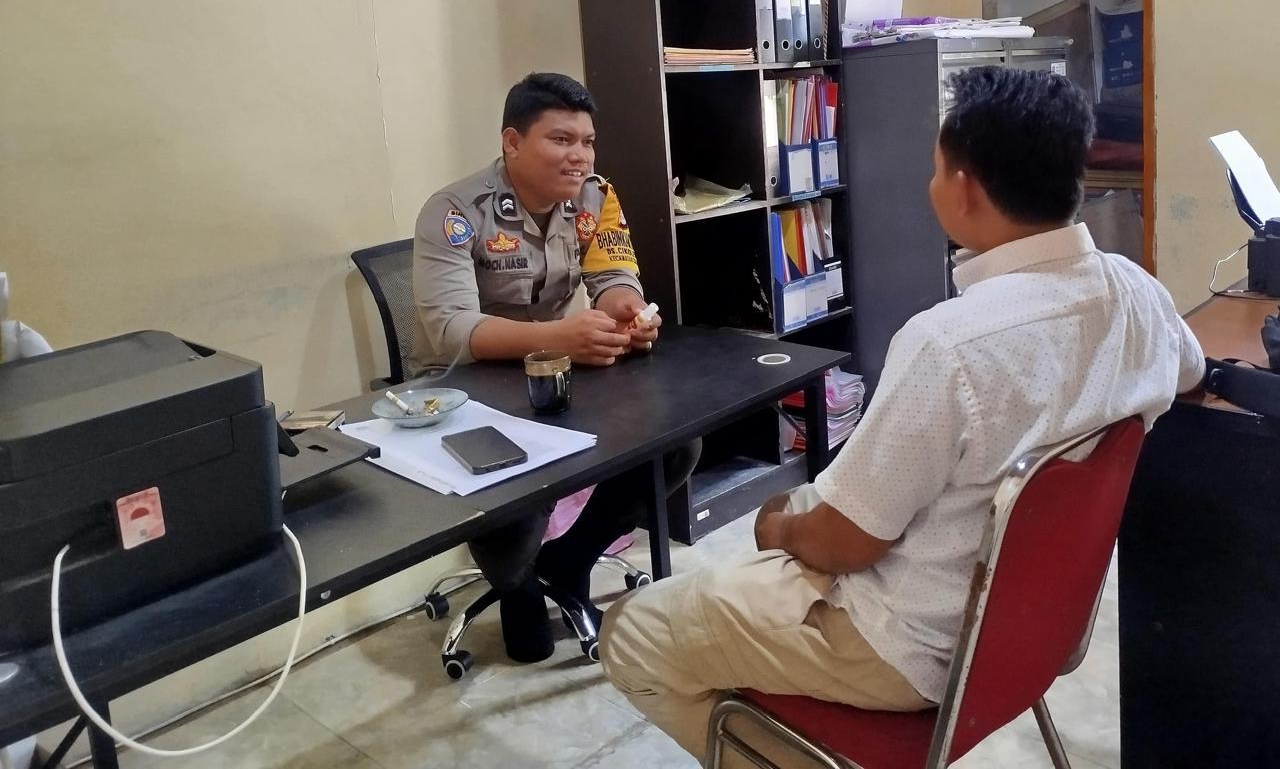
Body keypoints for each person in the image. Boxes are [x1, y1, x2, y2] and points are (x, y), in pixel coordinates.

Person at [600, 66, 1206, 764]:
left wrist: (778, 529)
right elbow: (1189, 375)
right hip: (1031, 633)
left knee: (634, 630)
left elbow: (845, 544)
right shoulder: (1136, 291)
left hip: (906, 649)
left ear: (965, 189)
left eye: (936, 168)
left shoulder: (948, 344)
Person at [411, 72, 699, 663]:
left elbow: (614, 275)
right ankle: (515, 580)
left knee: (675, 446)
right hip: (466, 392)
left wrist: (627, 311)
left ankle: (569, 562)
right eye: (561, 139)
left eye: (587, 141)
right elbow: (452, 331)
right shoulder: (454, 211)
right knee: (528, 638)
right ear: (512, 142)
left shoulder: (594, 196)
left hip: (554, 375)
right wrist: (559, 336)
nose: (580, 156)